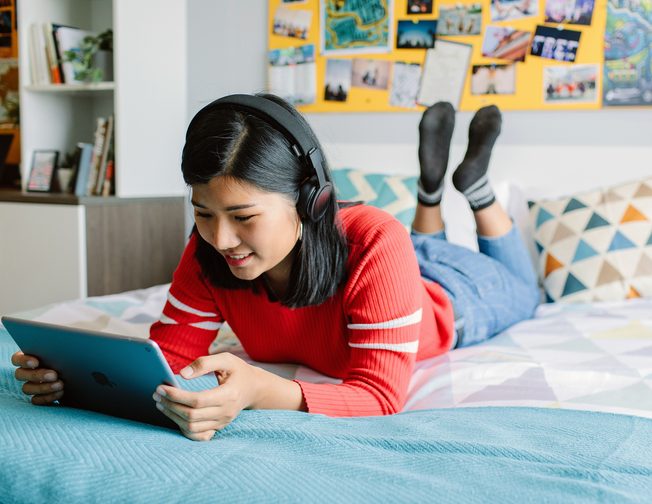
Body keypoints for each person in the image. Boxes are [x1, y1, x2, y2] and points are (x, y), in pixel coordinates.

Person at [11, 94, 539, 441]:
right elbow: (167, 358)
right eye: (202, 213)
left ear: (310, 202)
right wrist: (75, 382)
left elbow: (379, 395)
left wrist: (263, 390)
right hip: (396, 266)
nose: (220, 239)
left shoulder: (378, 237)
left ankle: (473, 190)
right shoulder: (208, 247)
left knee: (526, 289)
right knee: (416, 240)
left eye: (243, 217)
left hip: (458, 294)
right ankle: (430, 191)